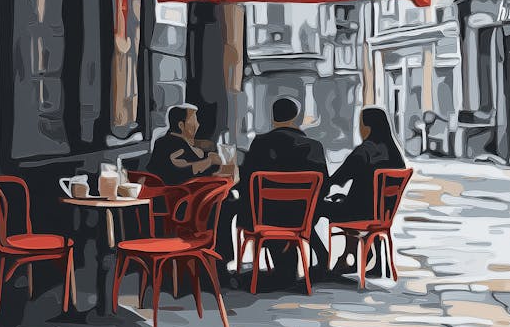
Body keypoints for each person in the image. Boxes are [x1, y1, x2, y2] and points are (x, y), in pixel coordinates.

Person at [216, 97, 328, 278]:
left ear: (273, 118)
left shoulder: (261, 143)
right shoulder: (314, 146)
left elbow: (247, 182)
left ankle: (222, 263)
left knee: (226, 205)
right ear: (297, 118)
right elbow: (324, 186)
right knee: (298, 208)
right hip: (302, 217)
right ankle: (311, 261)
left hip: (264, 217)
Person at [321, 107, 406, 273]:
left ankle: (323, 261)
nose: (359, 128)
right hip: (382, 214)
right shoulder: (395, 153)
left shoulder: (365, 150)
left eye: (361, 124)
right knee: (346, 202)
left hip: (360, 213)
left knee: (317, 208)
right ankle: (352, 258)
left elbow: (339, 179)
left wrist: (324, 187)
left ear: (367, 127)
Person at [146, 104, 222, 185]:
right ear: (181, 125)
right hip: (177, 192)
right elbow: (181, 172)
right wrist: (209, 161)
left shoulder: (161, 141)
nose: (197, 125)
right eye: (194, 121)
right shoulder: (178, 146)